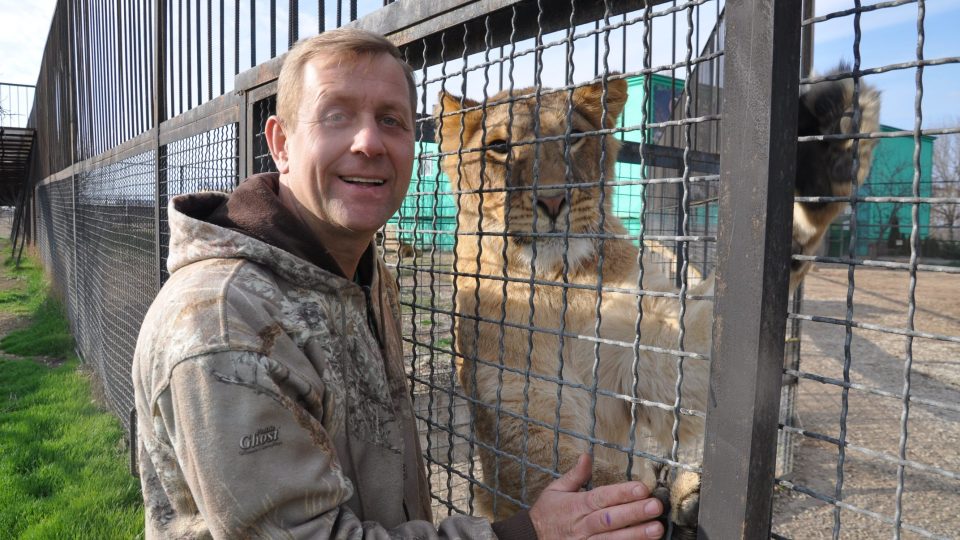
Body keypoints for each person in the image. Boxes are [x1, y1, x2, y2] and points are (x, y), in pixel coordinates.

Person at [132, 27, 666, 539]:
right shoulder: (221, 323)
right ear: (281, 143)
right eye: (336, 115)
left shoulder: (356, 273)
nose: (368, 142)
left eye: (391, 120)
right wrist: (525, 533)